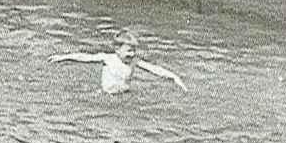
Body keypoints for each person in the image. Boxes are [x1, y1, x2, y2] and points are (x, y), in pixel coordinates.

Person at [49, 33, 185, 94]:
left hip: (126, 94)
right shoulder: (108, 58)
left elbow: (155, 69)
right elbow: (84, 57)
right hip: (107, 94)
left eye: (134, 51)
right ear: (117, 49)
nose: (132, 54)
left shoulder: (134, 61)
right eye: (129, 51)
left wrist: (174, 77)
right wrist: (63, 57)